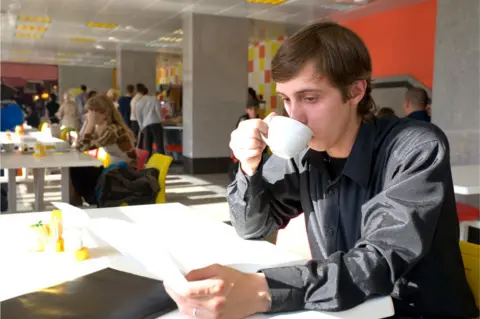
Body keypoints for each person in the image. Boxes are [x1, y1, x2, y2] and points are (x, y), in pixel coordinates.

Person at [165, 22, 478, 319]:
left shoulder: (415, 147)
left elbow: (377, 263)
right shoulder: (305, 152)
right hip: (344, 310)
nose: (295, 116)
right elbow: (254, 228)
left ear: (355, 91)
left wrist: (263, 290)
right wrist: (250, 168)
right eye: (286, 99)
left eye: (310, 98)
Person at [70, 94, 137, 206]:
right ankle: (77, 200)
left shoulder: (113, 130)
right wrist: (87, 124)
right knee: (77, 169)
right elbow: (79, 146)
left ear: (104, 113)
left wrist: (89, 124)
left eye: (91, 112)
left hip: (123, 175)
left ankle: (91, 201)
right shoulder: (102, 127)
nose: (88, 115)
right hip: (113, 170)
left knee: (78, 170)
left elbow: (82, 148)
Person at [135, 84, 165, 157]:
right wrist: (162, 120)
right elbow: (158, 110)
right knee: (159, 144)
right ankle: (161, 162)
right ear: (147, 92)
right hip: (156, 123)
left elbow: (138, 116)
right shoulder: (154, 99)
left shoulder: (139, 102)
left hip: (146, 125)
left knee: (147, 146)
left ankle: (147, 162)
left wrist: (141, 127)